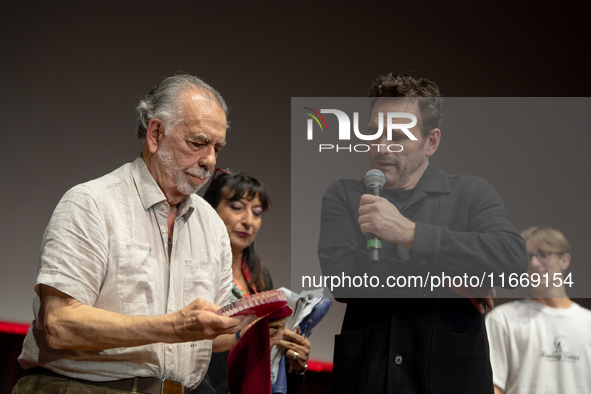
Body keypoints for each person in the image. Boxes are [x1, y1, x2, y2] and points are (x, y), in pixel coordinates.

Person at [13, 74, 284, 394]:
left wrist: (240, 324)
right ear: (155, 134)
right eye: (198, 143)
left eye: (217, 147)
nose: (210, 160)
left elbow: (217, 340)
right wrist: (173, 327)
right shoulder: (92, 203)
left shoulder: (211, 224)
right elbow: (59, 325)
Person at [318, 73, 528, 393]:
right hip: (368, 377)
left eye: (397, 135)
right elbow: (344, 278)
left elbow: (511, 259)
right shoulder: (345, 195)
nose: (381, 146)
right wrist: (444, 279)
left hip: (448, 378)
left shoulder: (471, 192)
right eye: (374, 132)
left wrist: (411, 233)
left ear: (431, 142)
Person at [192, 171, 310, 394]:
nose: (248, 221)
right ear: (211, 209)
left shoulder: (260, 278)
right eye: (237, 207)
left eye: (256, 213)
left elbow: (263, 361)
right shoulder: (195, 269)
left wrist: (294, 364)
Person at [486, 226, 591, 394]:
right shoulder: (502, 319)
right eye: (527, 257)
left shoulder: (588, 323)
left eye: (543, 254)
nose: (534, 263)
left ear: (564, 260)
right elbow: (493, 387)